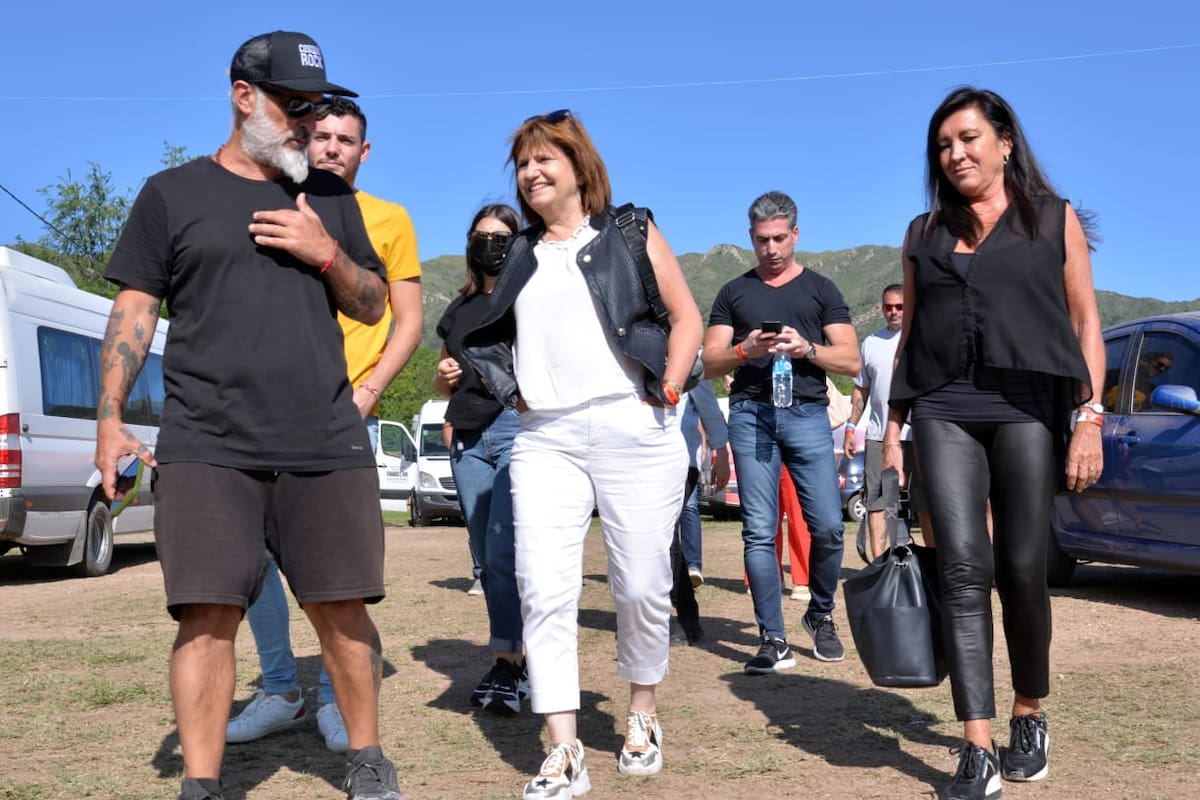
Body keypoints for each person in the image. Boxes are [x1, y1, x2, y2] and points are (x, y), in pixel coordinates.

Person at [94, 32, 404, 800]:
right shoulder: (171, 195)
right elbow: (133, 309)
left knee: (341, 611)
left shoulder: (327, 197)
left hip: (322, 438)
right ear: (243, 97)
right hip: (207, 442)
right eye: (293, 104)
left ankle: (366, 759)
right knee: (205, 617)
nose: (309, 120)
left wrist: (324, 252)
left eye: (318, 106)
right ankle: (201, 784)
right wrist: (109, 417)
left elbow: (373, 305)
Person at [459, 109, 702, 799]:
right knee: (544, 586)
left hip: (634, 424)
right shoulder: (517, 255)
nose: (532, 173)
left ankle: (643, 716)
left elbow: (686, 317)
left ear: (578, 166)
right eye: (524, 164)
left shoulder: (629, 231)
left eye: (546, 160)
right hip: (546, 440)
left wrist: (673, 385)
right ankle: (564, 749)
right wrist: (510, 389)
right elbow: (475, 334)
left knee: (640, 585)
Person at [885, 86, 1104, 800]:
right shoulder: (923, 235)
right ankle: (976, 748)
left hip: (1029, 406)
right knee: (961, 567)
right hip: (945, 406)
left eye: (969, 138)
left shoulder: (1053, 220)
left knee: (1020, 566)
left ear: (1004, 141)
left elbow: (1085, 324)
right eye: (944, 146)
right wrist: (893, 431)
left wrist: (1090, 417)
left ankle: (1029, 713)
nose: (956, 154)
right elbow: (910, 337)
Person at [223, 96, 423, 755]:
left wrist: (367, 393)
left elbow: (408, 321)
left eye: (346, 139)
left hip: (341, 417)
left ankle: (339, 700)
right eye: (321, 136)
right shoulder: (272, 201)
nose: (332, 146)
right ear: (302, 142)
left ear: (365, 152)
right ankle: (282, 688)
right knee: (251, 561)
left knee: (336, 576)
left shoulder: (389, 220)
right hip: (259, 412)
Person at [703, 190, 861, 673]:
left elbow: (851, 359)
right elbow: (709, 362)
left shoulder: (821, 290)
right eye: (760, 240)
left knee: (830, 527)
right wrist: (747, 350)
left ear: (795, 234)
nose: (770, 249)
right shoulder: (733, 292)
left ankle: (820, 613)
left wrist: (806, 349)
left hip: (808, 414)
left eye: (778, 238)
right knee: (758, 531)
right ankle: (772, 637)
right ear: (750, 239)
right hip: (752, 414)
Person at [432, 203, 528, 714]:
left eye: (501, 237)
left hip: (515, 427)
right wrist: (441, 380)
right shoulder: (458, 308)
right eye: (481, 236)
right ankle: (517, 658)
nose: (489, 244)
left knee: (503, 551)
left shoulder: (528, 299)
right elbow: (442, 376)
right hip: (467, 438)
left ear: (516, 243)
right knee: (486, 562)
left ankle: (507, 663)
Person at [844, 284, 931, 560]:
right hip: (878, 436)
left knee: (925, 504)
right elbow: (861, 391)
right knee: (877, 503)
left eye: (899, 306)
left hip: (920, 435)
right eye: (888, 306)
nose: (893, 312)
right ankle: (880, 564)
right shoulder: (871, 343)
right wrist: (850, 426)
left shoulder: (924, 338)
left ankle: (931, 563)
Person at [671, 379, 729, 645]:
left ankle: (684, 619)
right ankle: (678, 616)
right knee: (657, 541)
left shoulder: (690, 351)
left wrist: (721, 454)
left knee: (665, 539)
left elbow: (708, 405)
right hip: (633, 459)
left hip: (679, 461)